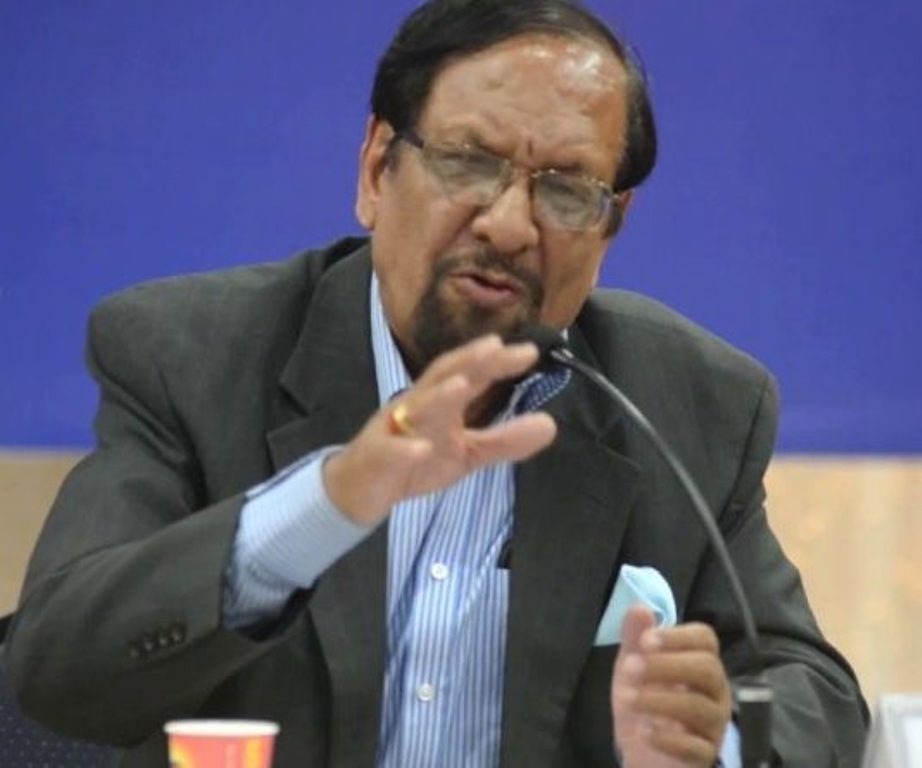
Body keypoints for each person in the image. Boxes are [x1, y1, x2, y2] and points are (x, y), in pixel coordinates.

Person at [6, 1, 867, 766]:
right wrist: (326, 502)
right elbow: (55, 673)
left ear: (612, 224)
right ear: (376, 169)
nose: (510, 225)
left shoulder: (689, 403)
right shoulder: (190, 356)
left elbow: (814, 696)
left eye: (568, 191)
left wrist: (710, 741)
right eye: (469, 161)